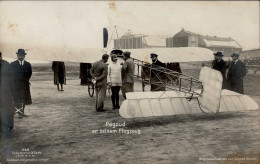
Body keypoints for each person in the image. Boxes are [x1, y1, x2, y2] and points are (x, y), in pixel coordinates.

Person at [10, 49, 32, 117]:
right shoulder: (13, 64)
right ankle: (18, 112)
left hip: (25, 84)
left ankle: (22, 112)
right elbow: (11, 74)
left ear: (24, 56)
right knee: (16, 98)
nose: (21, 56)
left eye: (22, 55)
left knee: (24, 98)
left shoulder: (28, 64)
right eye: (19, 55)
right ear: (17, 55)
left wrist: (25, 80)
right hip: (15, 84)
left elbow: (29, 73)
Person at [0, 51, 15, 133]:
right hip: (6, 90)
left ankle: (8, 125)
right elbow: (11, 78)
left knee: (7, 107)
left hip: (5, 90)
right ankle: (8, 125)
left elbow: (11, 78)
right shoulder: (6, 64)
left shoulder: (6, 64)